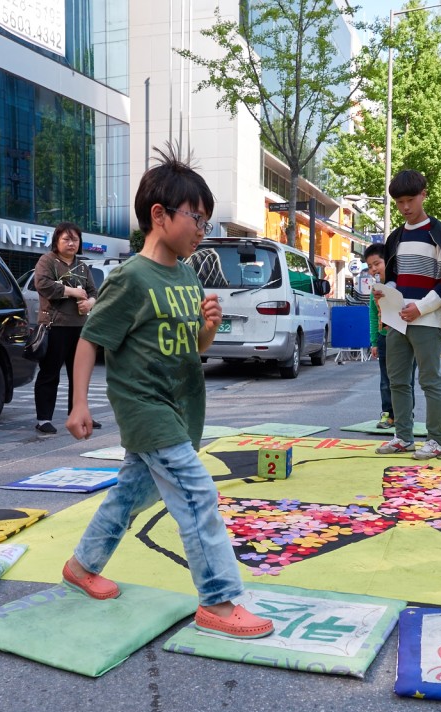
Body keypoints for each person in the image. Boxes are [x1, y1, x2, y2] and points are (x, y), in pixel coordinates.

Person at [60, 146, 273, 639]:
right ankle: (218, 601)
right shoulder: (130, 278)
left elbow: (193, 349)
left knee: (130, 494)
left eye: (206, 220)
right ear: (159, 215)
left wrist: (209, 328)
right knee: (198, 496)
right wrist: (78, 405)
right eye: (195, 218)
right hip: (145, 407)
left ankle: (82, 564)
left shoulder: (186, 274)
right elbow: (91, 339)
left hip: (180, 407)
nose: (202, 229)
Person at [373, 169, 441, 460]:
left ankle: (437, 440)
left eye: (410, 199)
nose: (405, 207)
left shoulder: (439, 234)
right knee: (397, 381)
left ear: (423, 195)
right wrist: (386, 290)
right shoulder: (395, 237)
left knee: (430, 380)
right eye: (400, 201)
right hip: (396, 320)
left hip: (426, 319)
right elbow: (395, 276)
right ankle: (403, 436)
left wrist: (422, 307)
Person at [32, 222, 98, 435]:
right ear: (56, 241)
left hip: (80, 328)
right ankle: (43, 419)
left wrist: (89, 303)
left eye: (75, 240)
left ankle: (78, 414)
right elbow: (42, 284)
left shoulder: (82, 266)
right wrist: (72, 292)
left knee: (79, 374)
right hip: (55, 325)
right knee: (50, 373)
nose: (71, 243)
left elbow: (94, 292)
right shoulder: (47, 261)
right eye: (66, 239)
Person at [365, 244, 395, 429]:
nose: (373, 269)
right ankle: (387, 415)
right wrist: (374, 341)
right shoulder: (374, 289)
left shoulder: (399, 283)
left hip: (402, 336)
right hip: (384, 338)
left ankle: (404, 414)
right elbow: (372, 315)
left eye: (377, 263)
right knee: (386, 380)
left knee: (404, 380)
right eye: (369, 266)